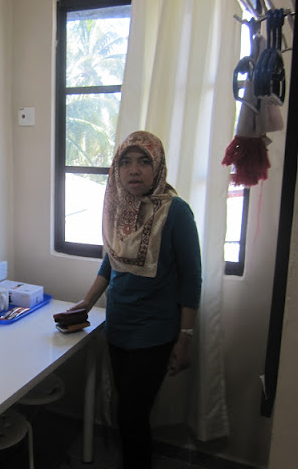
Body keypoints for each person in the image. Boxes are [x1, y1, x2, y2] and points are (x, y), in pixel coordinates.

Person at [70, 131, 202, 469]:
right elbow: (110, 262)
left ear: (157, 166)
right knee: (127, 410)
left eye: (144, 161)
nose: (133, 170)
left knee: (131, 413)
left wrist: (185, 338)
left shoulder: (176, 212)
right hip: (118, 327)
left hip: (155, 334)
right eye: (125, 162)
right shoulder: (119, 207)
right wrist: (86, 303)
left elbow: (191, 278)